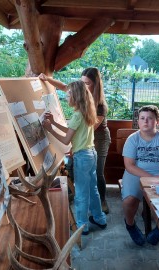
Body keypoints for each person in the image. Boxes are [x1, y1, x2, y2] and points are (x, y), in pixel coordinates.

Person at [39, 68, 111, 214]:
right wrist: (47, 79)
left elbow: (87, 129)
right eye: (82, 82)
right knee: (76, 169)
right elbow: (65, 87)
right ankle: (93, 208)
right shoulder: (80, 103)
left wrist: (54, 129)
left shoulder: (98, 106)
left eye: (87, 84)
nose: (83, 86)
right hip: (84, 141)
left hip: (98, 138)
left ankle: (100, 202)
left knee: (97, 172)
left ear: (95, 85)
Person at [121, 105, 159, 246]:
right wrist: (150, 179)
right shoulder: (133, 139)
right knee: (129, 200)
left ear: (157, 121)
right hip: (135, 174)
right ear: (138, 121)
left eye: (150, 118)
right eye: (142, 118)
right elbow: (130, 165)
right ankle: (130, 224)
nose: (145, 121)